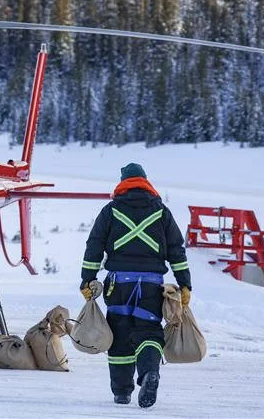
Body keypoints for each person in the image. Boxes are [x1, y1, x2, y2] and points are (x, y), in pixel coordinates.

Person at [80, 163, 191, 409]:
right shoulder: (162, 212)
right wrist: (185, 284)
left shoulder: (110, 211)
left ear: (122, 182)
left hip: (119, 286)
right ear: (145, 182)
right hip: (152, 286)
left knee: (119, 333)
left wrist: (87, 279)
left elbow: (94, 246)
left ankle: (121, 391)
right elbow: (176, 251)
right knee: (149, 331)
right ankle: (150, 373)